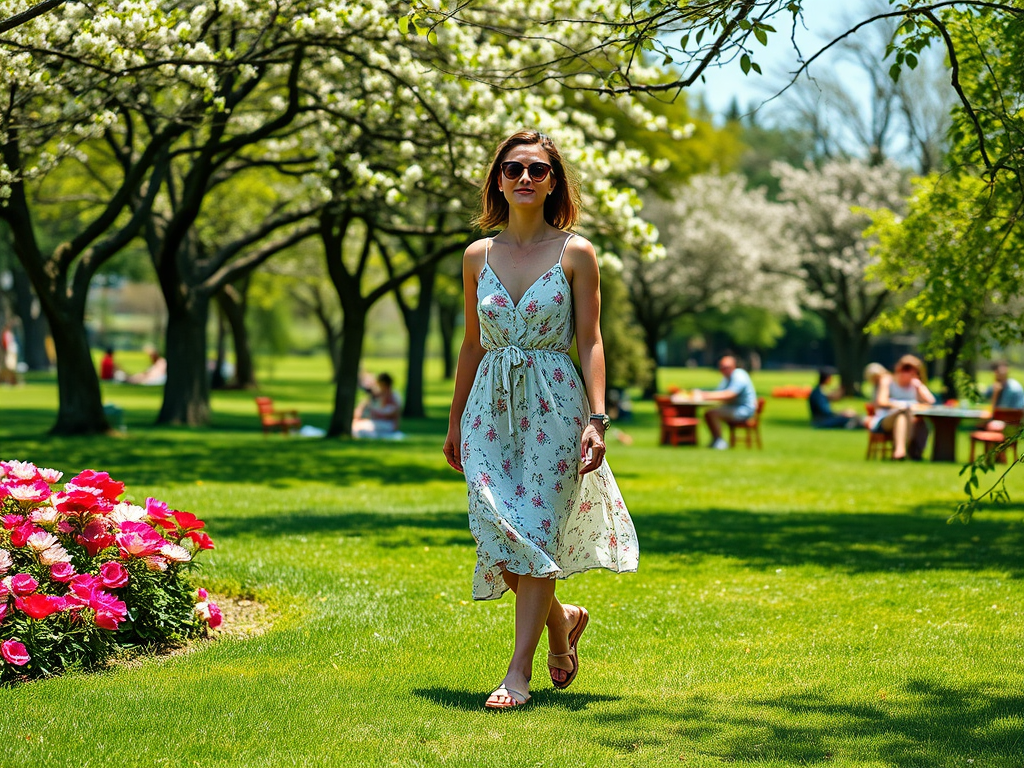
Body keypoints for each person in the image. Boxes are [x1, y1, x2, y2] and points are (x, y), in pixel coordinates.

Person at [442, 130, 638, 710]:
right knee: (499, 529)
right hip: (488, 409)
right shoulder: (477, 256)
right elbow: (472, 345)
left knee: (534, 529)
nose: (524, 179)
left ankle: (518, 672)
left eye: (537, 170)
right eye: (513, 169)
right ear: (497, 180)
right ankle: (562, 620)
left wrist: (597, 419)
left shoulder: (577, 252)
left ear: (554, 182)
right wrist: (454, 421)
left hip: (556, 404)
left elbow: (591, 339)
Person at [868, 354, 935, 460]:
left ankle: (906, 452)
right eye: (906, 368)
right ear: (898, 368)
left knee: (910, 417)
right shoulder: (887, 380)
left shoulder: (915, 386)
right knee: (903, 412)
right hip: (885, 419)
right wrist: (901, 405)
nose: (909, 373)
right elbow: (881, 401)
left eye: (915, 371)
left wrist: (919, 386)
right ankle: (901, 450)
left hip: (910, 419)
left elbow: (931, 402)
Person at [698, 354, 757, 450]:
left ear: (734, 366)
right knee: (709, 413)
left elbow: (729, 394)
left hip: (744, 410)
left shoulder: (739, 375)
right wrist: (704, 393)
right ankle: (717, 440)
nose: (724, 370)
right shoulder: (727, 378)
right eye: (722, 367)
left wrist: (705, 396)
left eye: (726, 367)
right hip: (735, 408)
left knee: (711, 414)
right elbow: (719, 392)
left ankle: (719, 441)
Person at [352, 372, 403, 439]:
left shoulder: (395, 397)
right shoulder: (376, 395)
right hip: (375, 422)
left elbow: (395, 414)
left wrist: (377, 413)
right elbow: (361, 408)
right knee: (356, 424)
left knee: (358, 428)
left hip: (386, 424)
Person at [0, 319, 19, 386]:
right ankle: (7, 381)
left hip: (11, 351)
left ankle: (12, 381)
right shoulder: (5, 333)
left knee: (11, 367)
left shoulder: (9, 333)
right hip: (8, 351)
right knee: (8, 367)